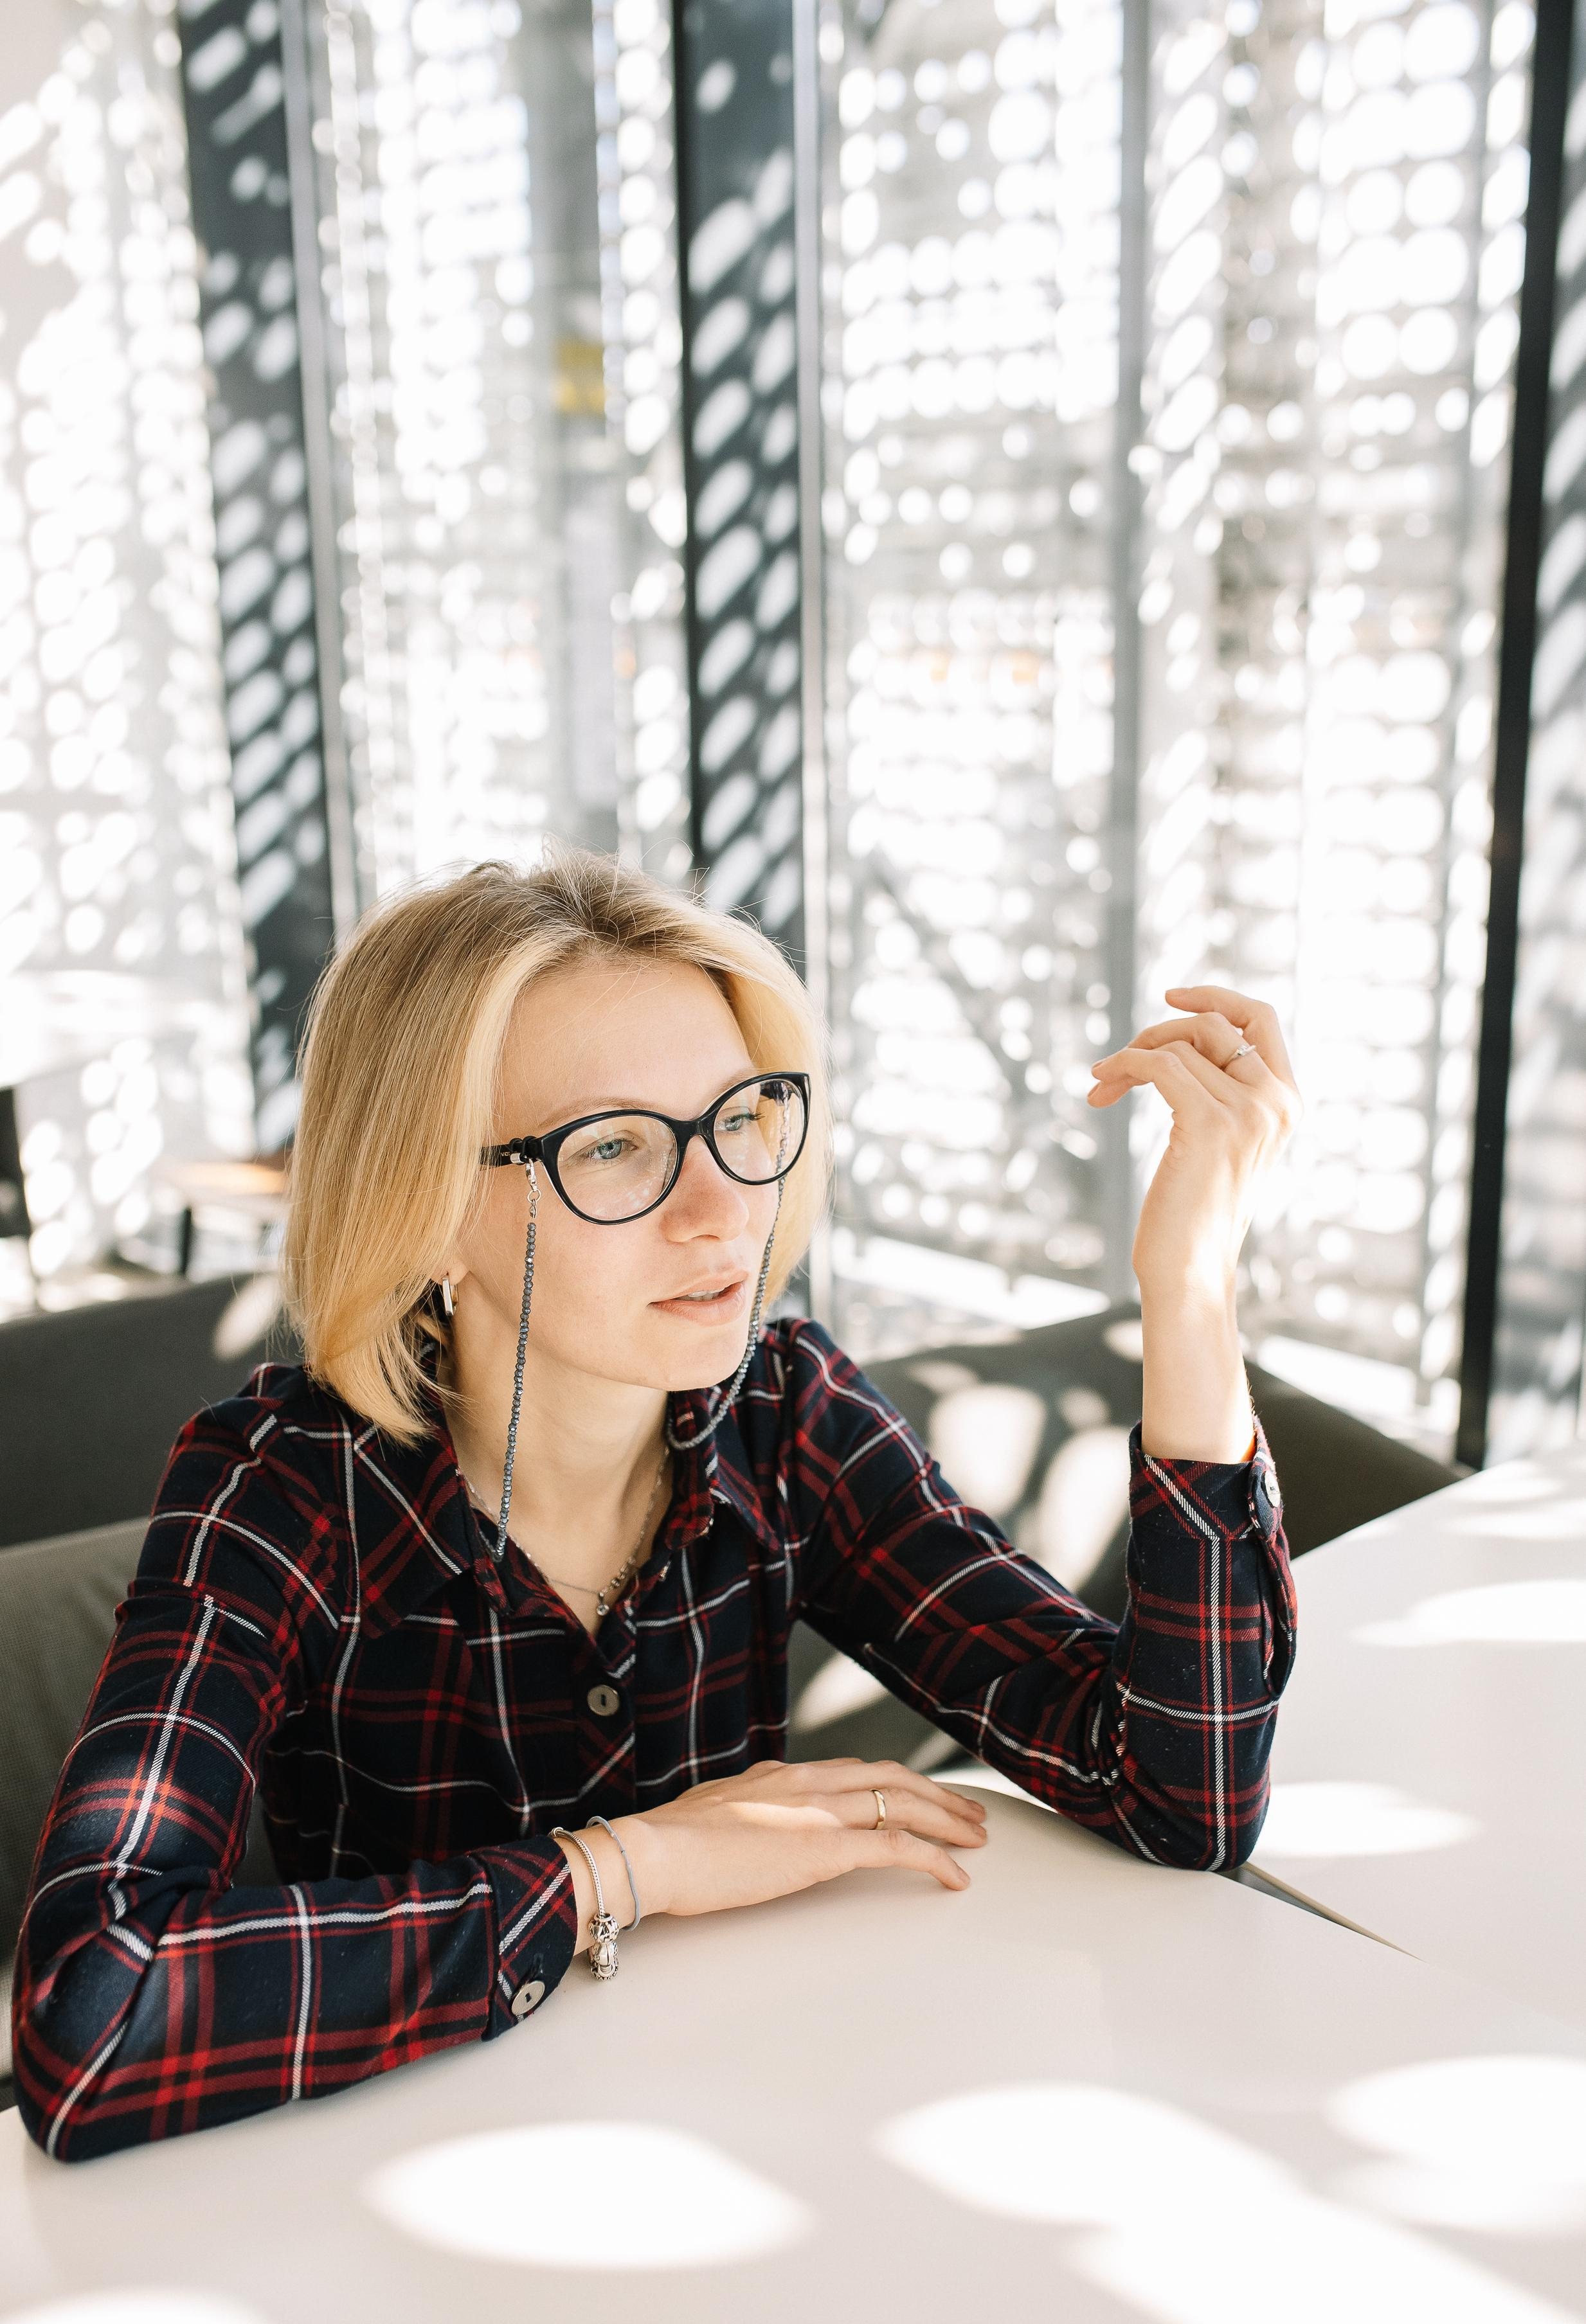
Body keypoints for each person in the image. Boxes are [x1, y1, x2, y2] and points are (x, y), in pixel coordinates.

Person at [11, 848, 1299, 2161]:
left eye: (740, 1118)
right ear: (429, 1205)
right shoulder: (278, 1486)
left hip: (739, 2132)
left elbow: (1178, 1793)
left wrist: (1190, 1290)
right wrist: (620, 1869)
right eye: (613, 1145)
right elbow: (94, 2009)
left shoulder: (784, 1415)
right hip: (404, 2183)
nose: (720, 1208)